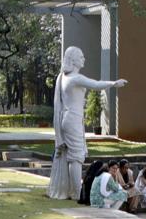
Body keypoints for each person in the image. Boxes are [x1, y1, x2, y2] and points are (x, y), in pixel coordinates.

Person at [47, 46, 128, 200]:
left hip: (69, 118)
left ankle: (73, 190)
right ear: (73, 59)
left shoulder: (63, 77)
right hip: (73, 119)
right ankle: (76, 192)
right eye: (81, 56)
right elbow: (96, 85)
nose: (84, 59)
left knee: (73, 156)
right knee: (76, 157)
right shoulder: (75, 78)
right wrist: (113, 83)